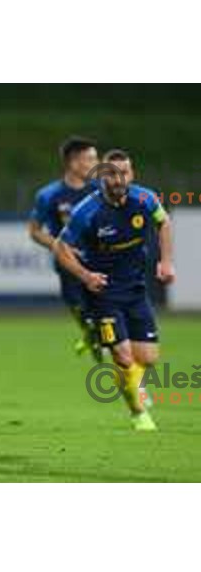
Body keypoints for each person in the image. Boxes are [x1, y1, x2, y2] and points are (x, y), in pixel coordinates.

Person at [54, 149, 175, 431]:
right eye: (112, 173)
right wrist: (85, 276)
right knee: (123, 358)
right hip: (103, 294)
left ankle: (134, 379)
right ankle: (138, 413)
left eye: (125, 173)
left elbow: (164, 221)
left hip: (135, 290)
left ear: (132, 175)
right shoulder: (88, 211)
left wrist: (166, 261)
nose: (119, 179)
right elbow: (61, 247)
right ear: (102, 177)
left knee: (147, 358)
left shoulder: (145, 198)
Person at [28, 137, 102, 360]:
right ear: (73, 163)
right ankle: (91, 334)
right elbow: (35, 231)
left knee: (103, 311)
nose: (96, 163)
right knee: (80, 309)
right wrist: (60, 245)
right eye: (90, 159)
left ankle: (97, 339)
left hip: (100, 260)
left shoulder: (101, 191)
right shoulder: (49, 195)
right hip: (68, 262)